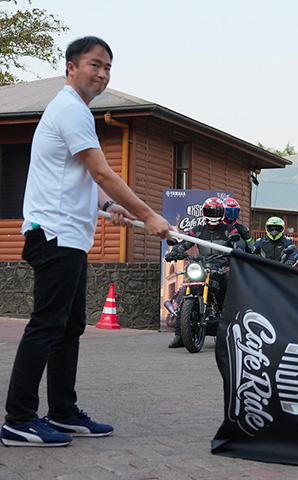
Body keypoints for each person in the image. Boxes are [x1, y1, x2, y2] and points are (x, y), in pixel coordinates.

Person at [2, 36, 172, 448]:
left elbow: (84, 178)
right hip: (54, 235)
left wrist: (112, 206)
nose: (102, 73)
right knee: (47, 324)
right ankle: (18, 419)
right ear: (71, 67)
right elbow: (101, 172)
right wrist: (149, 215)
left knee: (69, 326)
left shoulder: (76, 111)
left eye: (107, 67)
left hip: (70, 238)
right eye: (94, 64)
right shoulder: (70, 109)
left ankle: (62, 412)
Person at [164, 197, 240, 348]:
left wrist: (238, 248)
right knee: (185, 292)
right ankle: (180, 335)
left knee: (229, 282)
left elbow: (239, 244)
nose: (213, 215)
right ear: (204, 213)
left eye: (216, 212)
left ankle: (229, 322)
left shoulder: (228, 229)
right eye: (210, 212)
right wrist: (175, 251)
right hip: (203, 266)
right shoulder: (198, 230)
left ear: (222, 213)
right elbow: (185, 243)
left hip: (222, 267)